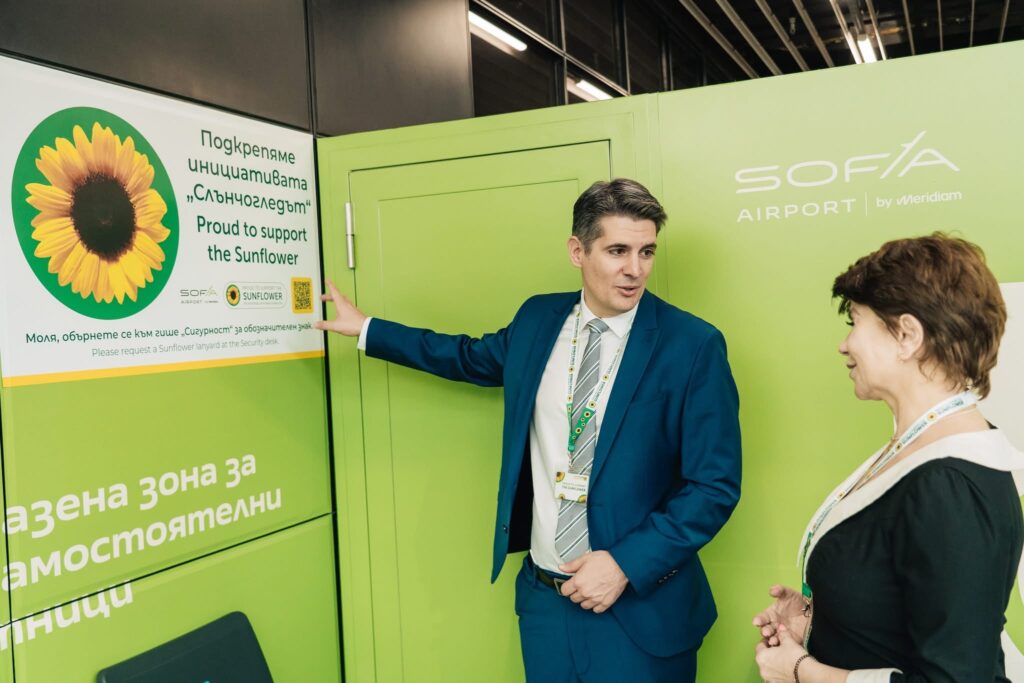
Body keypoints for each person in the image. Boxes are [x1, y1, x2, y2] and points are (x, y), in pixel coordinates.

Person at [316, 178, 741, 682]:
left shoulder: (692, 345)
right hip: (545, 604)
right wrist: (368, 329)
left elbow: (713, 486)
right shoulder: (538, 319)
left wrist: (625, 564)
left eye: (646, 251)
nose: (635, 269)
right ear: (577, 251)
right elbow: (466, 356)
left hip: (641, 611)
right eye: (618, 251)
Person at [753, 233, 1024, 683]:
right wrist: (823, 619)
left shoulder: (951, 484)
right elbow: (907, 600)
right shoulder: (917, 452)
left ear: (907, 336)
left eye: (855, 322)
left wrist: (802, 671)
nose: (844, 344)